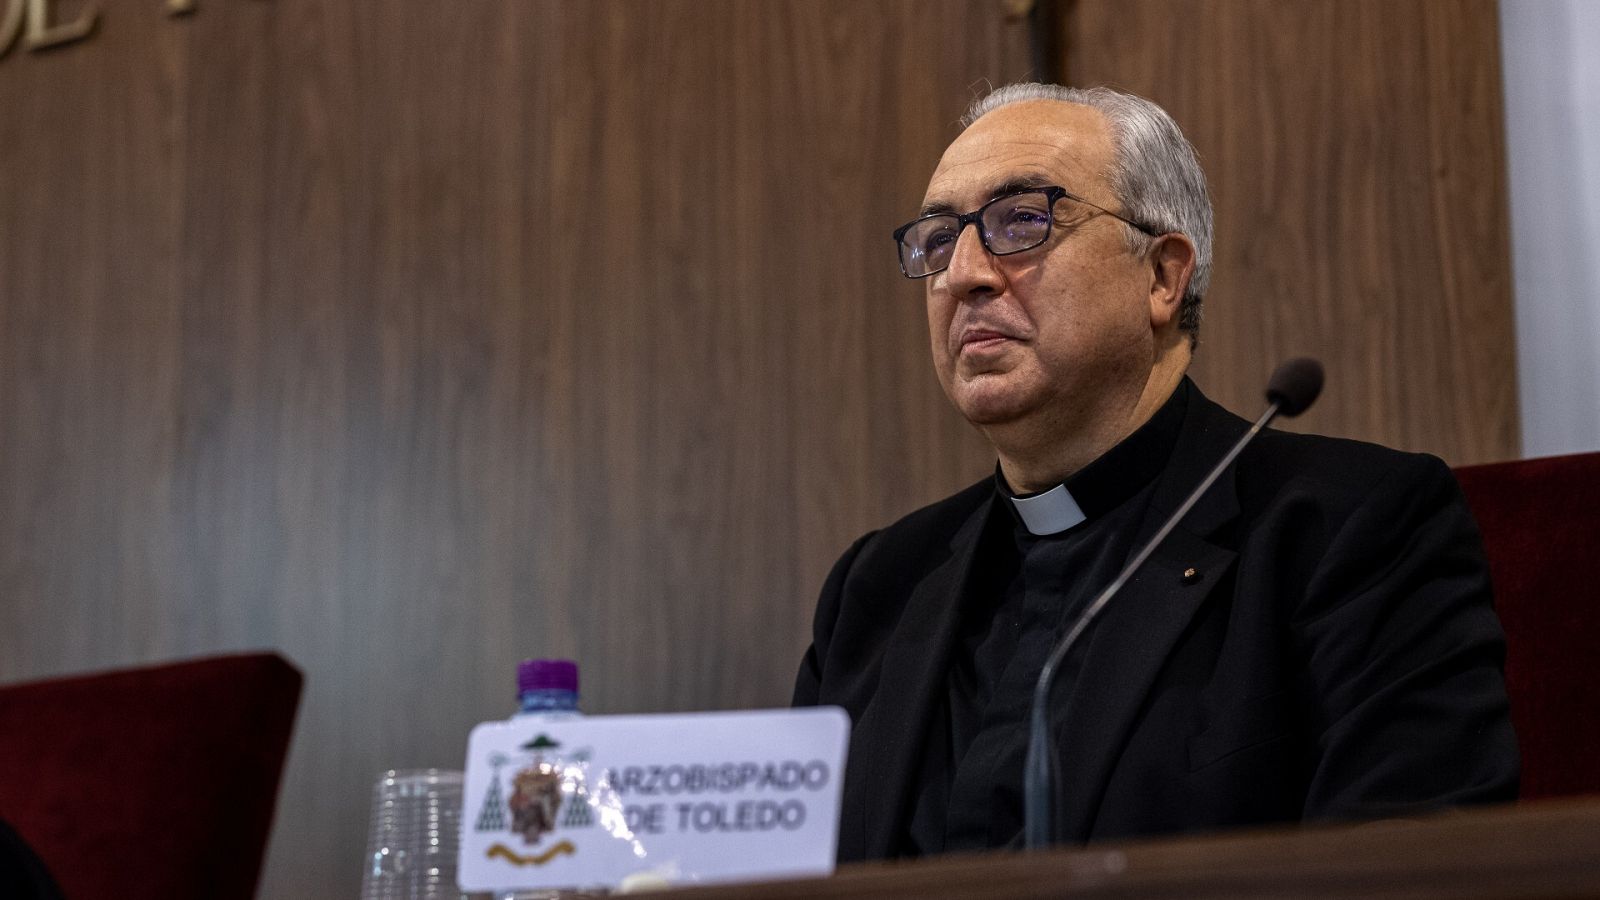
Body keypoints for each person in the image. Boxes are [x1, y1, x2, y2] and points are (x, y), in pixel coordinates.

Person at [792, 83, 1518, 862]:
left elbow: (1411, 867)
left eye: (1022, 221)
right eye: (939, 239)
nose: (963, 273)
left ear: (1163, 277)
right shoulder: (879, 585)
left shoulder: (1350, 530)